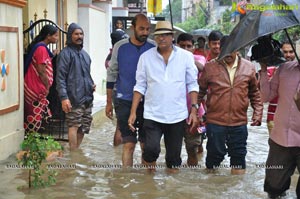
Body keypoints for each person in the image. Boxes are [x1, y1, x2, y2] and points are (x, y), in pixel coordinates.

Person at [128, 21, 199, 172]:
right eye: (158, 35)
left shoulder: (186, 57)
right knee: (151, 151)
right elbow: (140, 86)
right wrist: (133, 112)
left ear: (172, 37)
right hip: (152, 114)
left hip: (177, 115)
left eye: (165, 35)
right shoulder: (145, 58)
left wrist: (193, 109)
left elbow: (192, 84)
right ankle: (149, 185)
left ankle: (171, 189)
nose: (161, 38)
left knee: (173, 159)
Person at [198, 36, 263, 175]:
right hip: (215, 121)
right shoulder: (210, 67)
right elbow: (199, 91)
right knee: (214, 156)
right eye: (225, 50)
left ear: (237, 50)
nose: (228, 53)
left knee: (239, 157)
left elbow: (255, 93)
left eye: (231, 50)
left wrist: (258, 112)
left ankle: (237, 191)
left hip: (239, 122)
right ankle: (210, 189)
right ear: (220, 49)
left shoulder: (249, 67)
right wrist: (195, 111)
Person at [106, 14, 155, 167]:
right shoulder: (120, 47)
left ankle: (146, 183)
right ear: (132, 28)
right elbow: (112, 73)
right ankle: (126, 182)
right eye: (141, 29)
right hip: (124, 100)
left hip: (149, 102)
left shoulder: (154, 47)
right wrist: (109, 103)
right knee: (129, 144)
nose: (145, 32)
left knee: (146, 145)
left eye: (147, 29)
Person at [259, 45, 300, 199]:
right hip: (280, 139)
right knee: (273, 187)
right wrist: (263, 70)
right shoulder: (284, 69)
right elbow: (266, 97)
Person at [56, 23, 95, 150]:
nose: (79, 36)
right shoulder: (65, 54)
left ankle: (76, 152)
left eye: (81, 34)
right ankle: (73, 154)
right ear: (70, 36)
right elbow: (60, 78)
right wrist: (64, 98)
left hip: (87, 98)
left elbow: (86, 75)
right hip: (73, 98)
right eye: (76, 34)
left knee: (83, 127)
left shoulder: (85, 55)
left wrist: (91, 84)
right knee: (73, 125)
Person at [176, 33, 206, 165]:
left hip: (194, 112)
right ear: (176, 46)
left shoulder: (199, 58)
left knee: (192, 149)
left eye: (189, 46)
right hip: (174, 113)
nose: (186, 49)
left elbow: (204, 69)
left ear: (193, 48)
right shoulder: (170, 60)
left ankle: (193, 180)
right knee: (173, 150)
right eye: (182, 46)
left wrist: (187, 58)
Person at [24, 24, 59, 133]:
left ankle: (32, 139)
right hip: (35, 87)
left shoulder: (42, 48)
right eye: (56, 36)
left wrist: (53, 54)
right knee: (33, 116)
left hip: (36, 85)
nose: (57, 38)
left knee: (35, 115)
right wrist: (47, 85)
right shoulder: (41, 49)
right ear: (48, 36)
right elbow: (41, 70)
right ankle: (31, 140)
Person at [260, 41, 296, 134]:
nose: (288, 55)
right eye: (285, 52)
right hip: (274, 119)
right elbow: (264, 97)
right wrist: (264, 71)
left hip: (295, 120)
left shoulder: (298, 71)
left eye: (291, 52)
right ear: (280, 53)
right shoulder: (271, 71)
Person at [105, 31, 127, 146]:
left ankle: (118, 151)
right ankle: (119, 150)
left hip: (115, 92)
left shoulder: (111, 55)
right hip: (121, 92)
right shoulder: (117, 55)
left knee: (121, 124)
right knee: (121, 124)